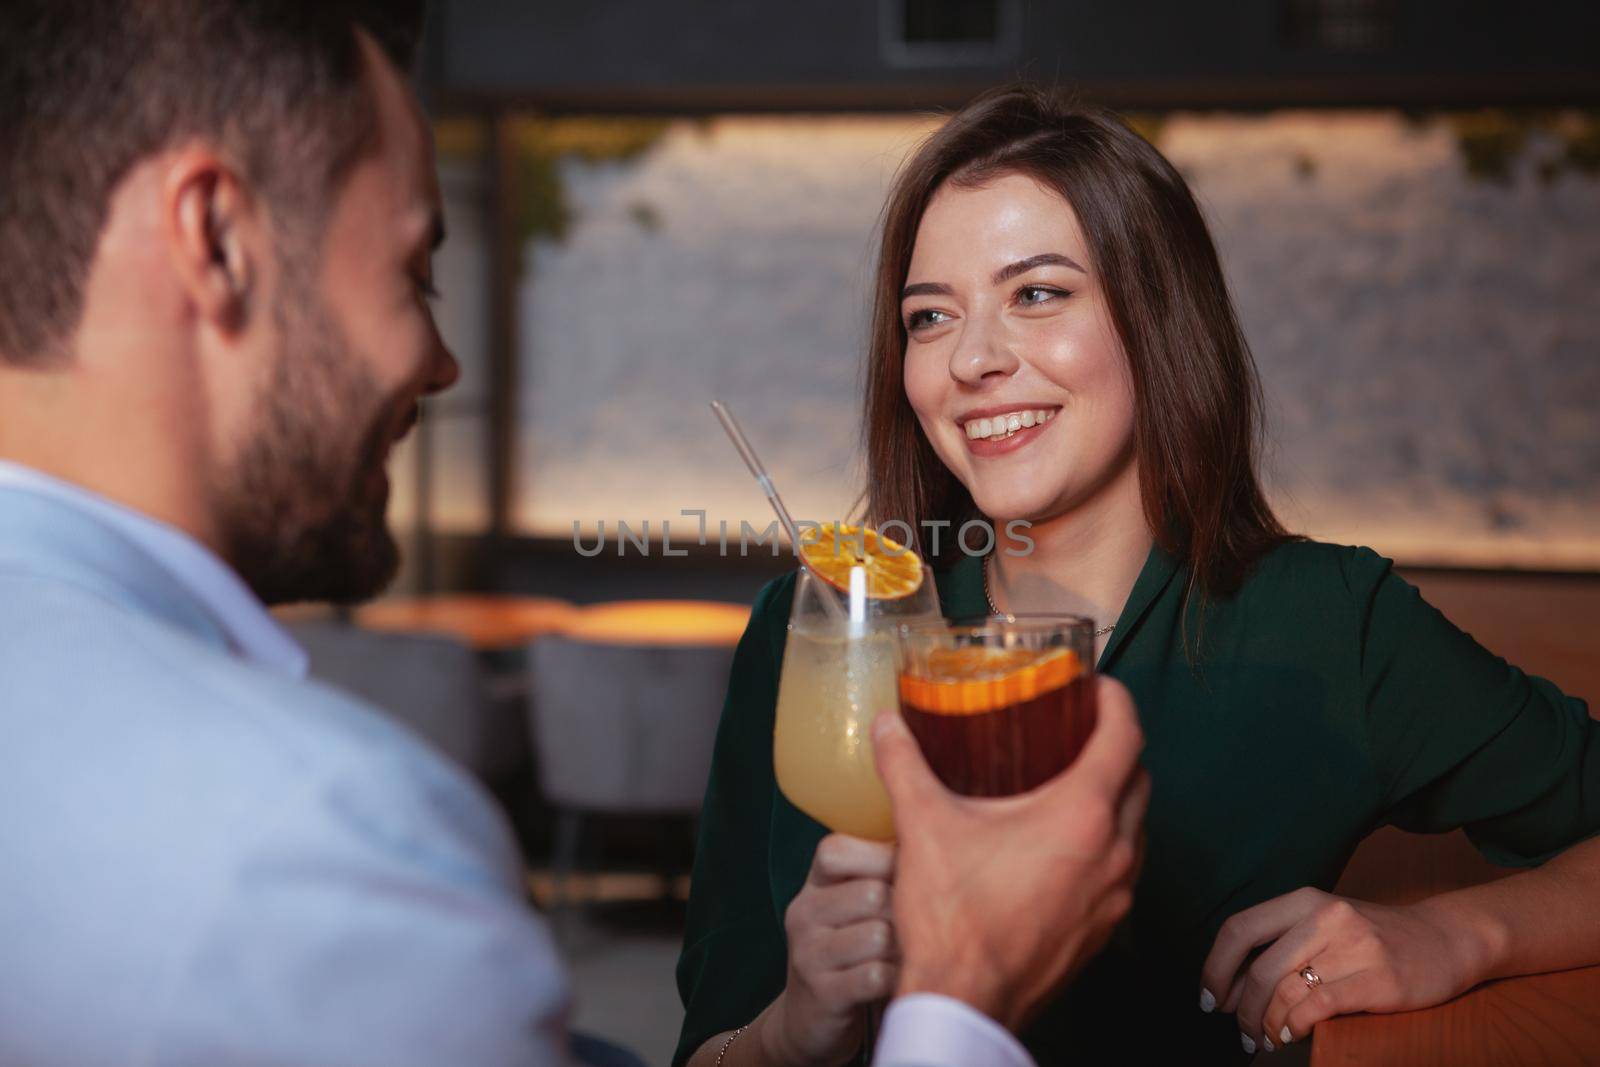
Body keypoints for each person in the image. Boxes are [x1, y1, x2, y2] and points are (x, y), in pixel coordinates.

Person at [0, 6, 1151, 1064]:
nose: (442, 365)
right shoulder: (317, 840)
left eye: (1041, 293)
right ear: (215, 239)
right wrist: (960, 994)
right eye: (414, 269)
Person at [676, 87, 1600, 1066]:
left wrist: (1455, 934)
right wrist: (792, 1030)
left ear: (1156, 315)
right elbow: (704, 1041)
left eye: (1036, 293)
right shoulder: (811, 628)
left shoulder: (1326, 620)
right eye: (930, 315)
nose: (974, 358)